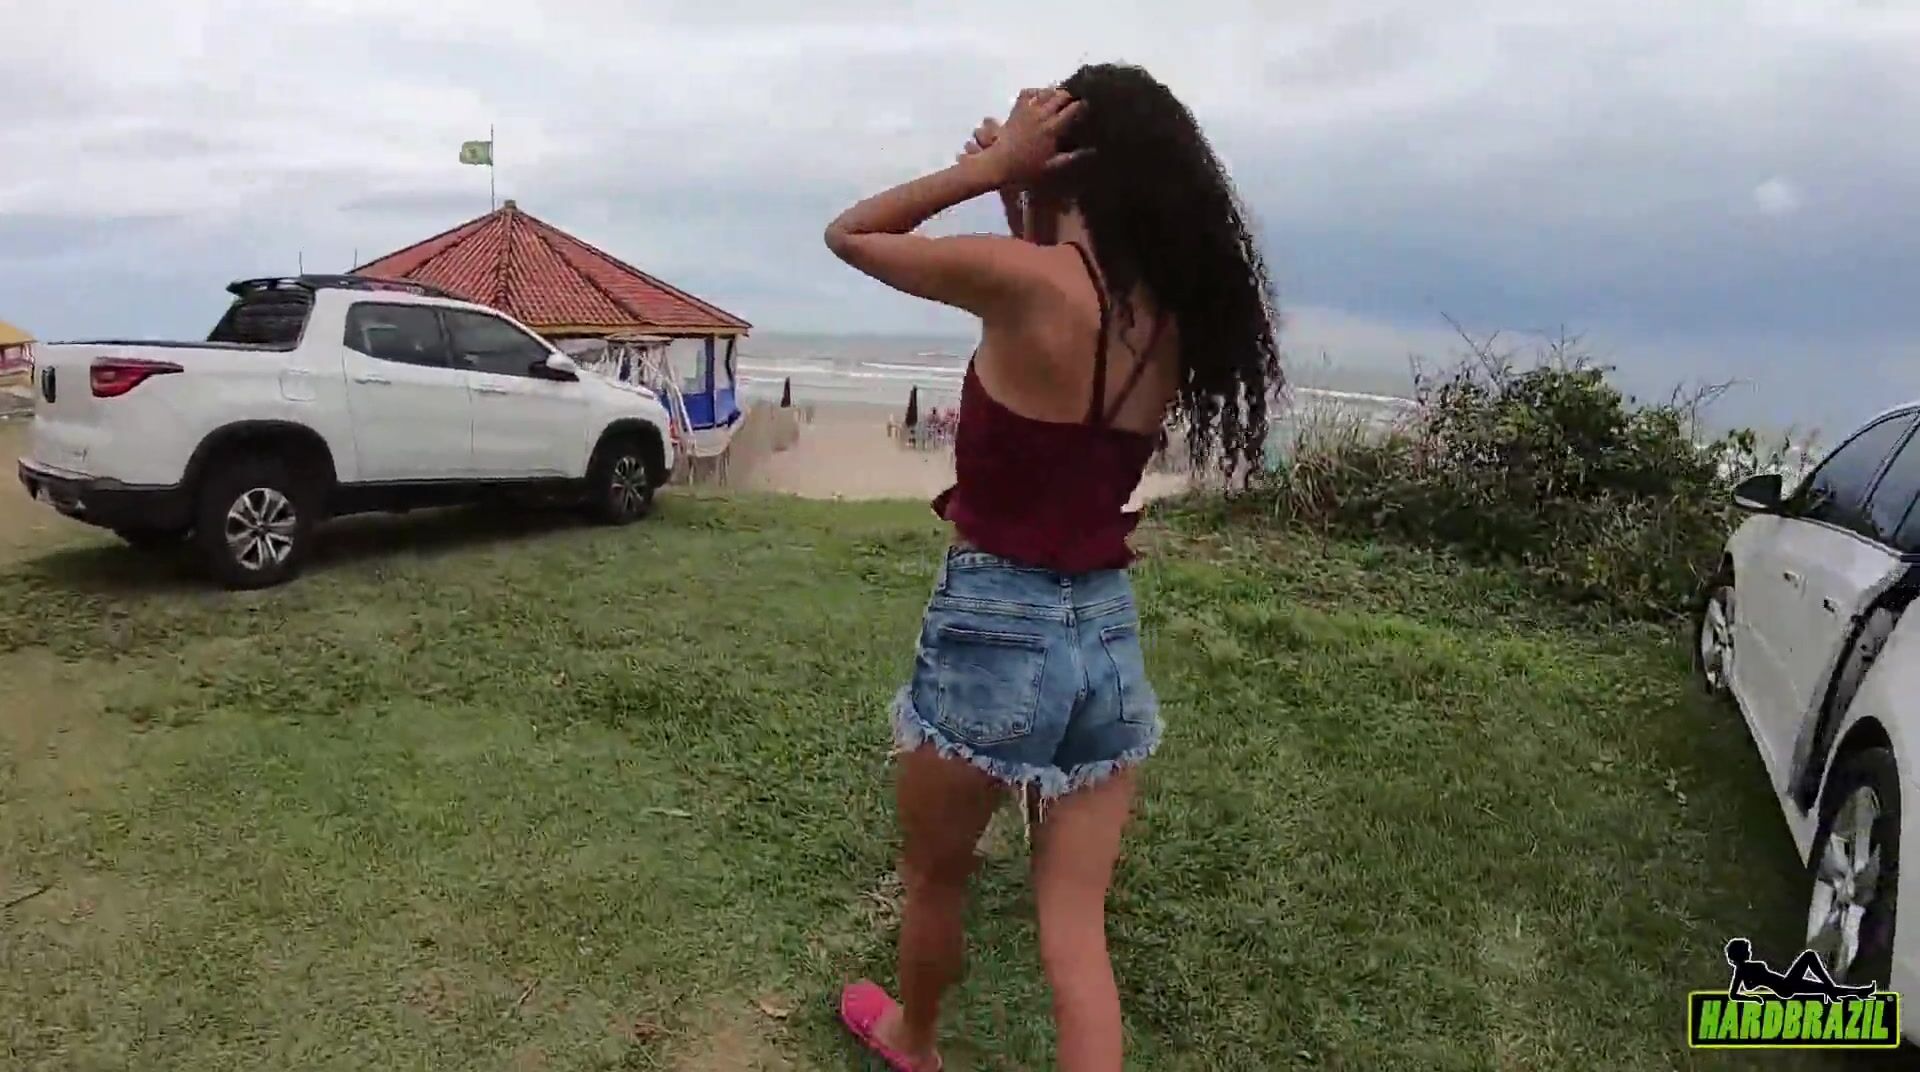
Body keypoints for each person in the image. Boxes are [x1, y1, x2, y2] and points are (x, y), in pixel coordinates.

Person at [824, 63, 1282, 1072]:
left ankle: (913, 1038)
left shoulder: (1027, 283)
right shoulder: (1162, 317)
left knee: (937, 879)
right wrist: (1022, 195)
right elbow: (1060, 297)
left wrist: (991, 168)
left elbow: (851, 234)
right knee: (1076, 929)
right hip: (1104, 631)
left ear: (1064, 159)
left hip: (995, 621)